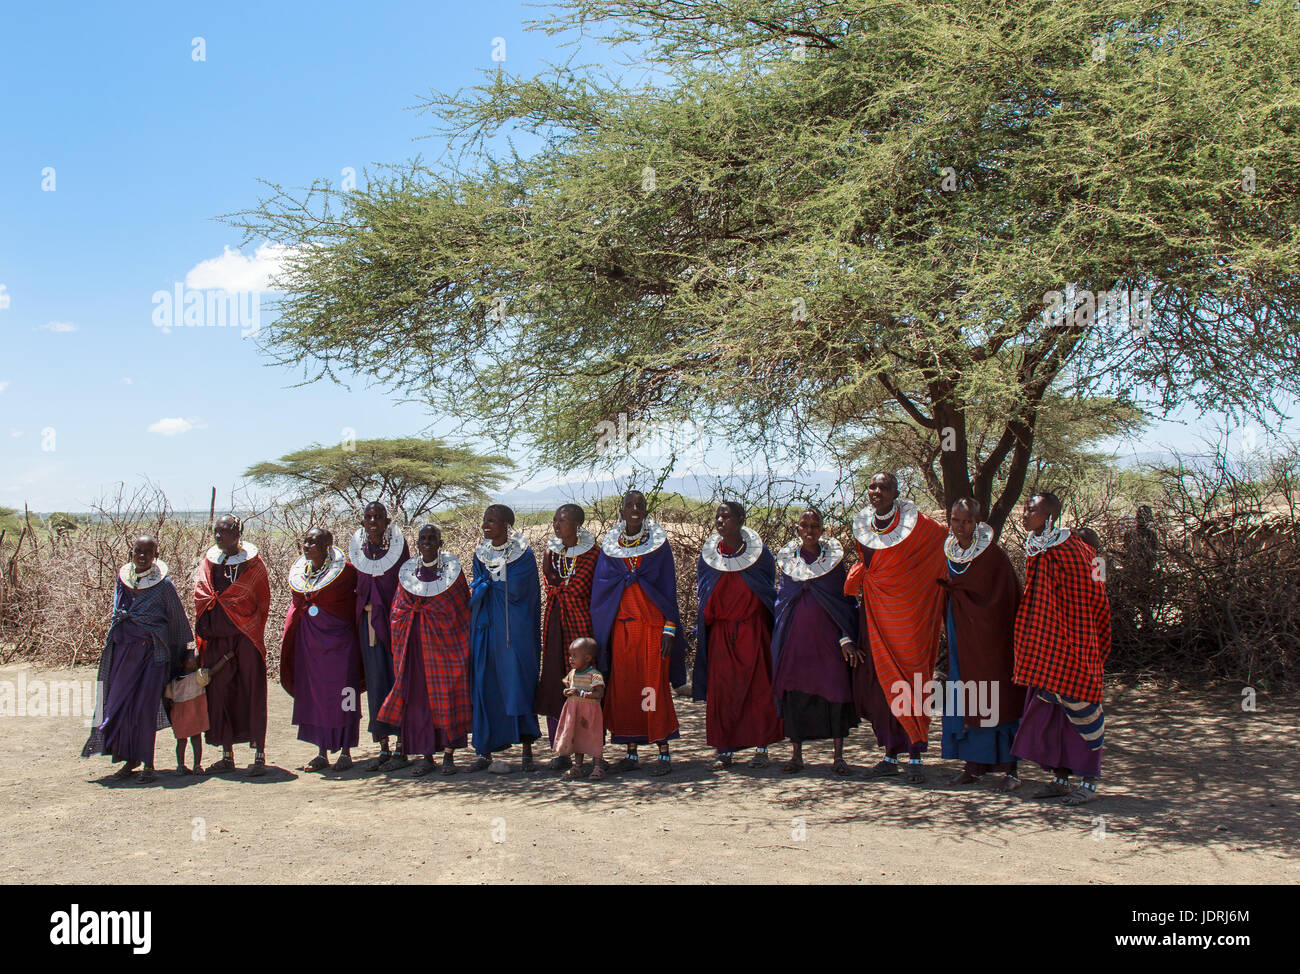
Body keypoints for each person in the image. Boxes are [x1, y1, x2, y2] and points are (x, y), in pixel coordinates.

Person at [845, 472, 947, 783]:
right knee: (881, 684)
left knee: (914, 680)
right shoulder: (863, 526)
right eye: (872, 486)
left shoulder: (919, 524)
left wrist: (921, 587)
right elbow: (870, 564)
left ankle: (915, 753)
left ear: (896, 492)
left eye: (883, 487)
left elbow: (945, 542)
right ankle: (890, 752)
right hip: (876, 613)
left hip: (911, 616)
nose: (876, 491)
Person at [1011, 492, 1112, 806]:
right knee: (1054, 715)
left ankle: (1090, 782)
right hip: (1048, 645)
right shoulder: (1041, 547)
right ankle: (1060, 777)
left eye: (1033, 509)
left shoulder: (1070, 551)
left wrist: (1073, 638)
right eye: (1025, 507)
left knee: (1080, 710)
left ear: (1051, 517)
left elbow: (1089, 599)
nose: (1025, 513)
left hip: (1073, 645)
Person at [82, 535, 194, 783]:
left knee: (144, 709)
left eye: (147, 552)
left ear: (155, 555)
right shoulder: (123, 580)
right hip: (123, 652)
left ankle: (149, 765)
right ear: (131, 553)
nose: (142, 556)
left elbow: (177, 620)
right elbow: (116, 613)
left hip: (152, 655)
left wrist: (184, 654)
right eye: (137, 551)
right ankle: (129, 759)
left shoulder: (164, 585)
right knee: (118, 704)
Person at [591, 490, 686, 776]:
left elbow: (667, 589)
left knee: (653, 687)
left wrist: (670, 629)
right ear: (621, 512)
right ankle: (631, 752)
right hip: (622, 629)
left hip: (653, 628)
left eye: (639, 505)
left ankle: (663, 751)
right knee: (627, 690)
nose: (634, 509)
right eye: (629, 505)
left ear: (646, 511)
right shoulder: (611, 547)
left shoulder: (658, 546)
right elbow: (603, 587)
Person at [938, 499, 1025, 792]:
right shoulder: (948, 552)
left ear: (977, 522)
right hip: (960, 634)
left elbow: (1008, 598)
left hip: (992, 641)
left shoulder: (993, 556)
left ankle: (1010, 770)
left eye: (966, 521)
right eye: (955, 520)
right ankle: (973, 766)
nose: (960, 526)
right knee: (966, 694)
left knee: (995, 694)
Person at [693, 501, 783, 769]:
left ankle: (761, 748)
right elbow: (704, 592)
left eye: (727, 516)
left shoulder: (760, 555)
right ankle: (725, 750)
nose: (721, 521)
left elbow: (767, 591)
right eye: (718, 516)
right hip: (721, 633)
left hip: (753, 631)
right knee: (723, 693)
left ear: (741, 519)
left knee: (758, 690)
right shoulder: (709, 556)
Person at [770, 508, 860, 775]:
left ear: (823, 529)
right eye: (804, 525)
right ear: (797, 530)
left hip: (829, 641)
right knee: (795, 693)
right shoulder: (788, 561)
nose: (809, 530)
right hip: (796, 640)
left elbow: (843, 602)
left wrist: (845, 637)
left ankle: (839, 757)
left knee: (835, 690)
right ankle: (796, 755)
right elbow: (782, 600)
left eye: (815, 525)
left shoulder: (833, 563)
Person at [378, 524, 473, 776]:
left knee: (448, 696)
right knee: (420, 701)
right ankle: (426, 755)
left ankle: (450, 756)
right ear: (417, 543)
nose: (427, 542)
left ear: (441, 543)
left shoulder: (453, 572)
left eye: (433, 538)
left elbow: (461, 609)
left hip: (445, 648)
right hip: (415, 648)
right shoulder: (408, 573)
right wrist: (415, 615)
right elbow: (398, 610)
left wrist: (432, 616)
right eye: (423, 538)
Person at [193, 514, 272, 776]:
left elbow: (262, 601)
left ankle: (259, 753)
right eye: (216, 532)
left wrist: (247, 627)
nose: (218, 537)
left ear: (238, 533)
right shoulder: (210, 562)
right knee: (220, 693)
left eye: (224, 532)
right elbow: (202, 594)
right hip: (218, 637)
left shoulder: (254, 564)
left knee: (252, 690)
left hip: (247, 636)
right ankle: (227, 754)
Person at [468, 504, 542, 773]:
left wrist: (492, 586)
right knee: (485, 682)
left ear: (506, 526)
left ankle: (526, 749)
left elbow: (524, 590)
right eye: (485, 520)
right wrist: (484, 587)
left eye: (493, 521)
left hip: (514, 628)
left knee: (518, 682)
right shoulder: (480, 553)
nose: (486, 525)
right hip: (487, 627)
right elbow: (477, 584)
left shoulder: (523, 555)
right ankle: (485, 749)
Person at [281, 528, 362, 772]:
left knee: (345, 696)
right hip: (310, 644)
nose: (307, 546)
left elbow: (355, 601)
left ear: (328, 545)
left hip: (340, 645)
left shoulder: (346, 572)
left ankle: (346, 750)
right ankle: (321, 751)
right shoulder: (301, 575)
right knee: (315, 696)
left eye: (313, 542)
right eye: (305, 541)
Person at [536, 503, 598, 770]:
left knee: (583, 682)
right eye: (555, 520)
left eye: (562, 521)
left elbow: (587, 589)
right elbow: (553, 586)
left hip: (580, 624)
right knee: (555, 681)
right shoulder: (551, 553)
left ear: (577, 525)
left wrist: (563, 589)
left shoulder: (594, 554)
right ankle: (559, 749)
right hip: (554, 624)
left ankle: (585, 749)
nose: (556, 525)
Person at [349, 502, 409, 771]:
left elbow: (405, 583)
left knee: (397, 679)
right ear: (363, 521)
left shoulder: (398, 549)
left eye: (378, 517)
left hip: (394, 625)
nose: (372, 521)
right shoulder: (360, 552)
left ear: (387, 521)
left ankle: (402, 745)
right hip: (368, 626)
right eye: (368, 517)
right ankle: (383, 744)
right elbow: (359, 587)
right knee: (375, 682)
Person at [554, 637, 607, 781]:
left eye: (574, 656)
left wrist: (582, 693)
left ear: (588, 658)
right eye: (570, 655)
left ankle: (598, 767)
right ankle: (578, 766)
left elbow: (599, 693)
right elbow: (568, 688)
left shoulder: (594, 675)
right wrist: (567, 692)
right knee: (577, 737)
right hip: (575, 711)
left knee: (593, 737)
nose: (571, 659)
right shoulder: (572, 674)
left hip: (590, 712)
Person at [165, 652, 209, 775]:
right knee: (193, 740)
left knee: (183, 741)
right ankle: (194, 765)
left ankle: (183, 765)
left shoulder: (176, 682)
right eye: (191, 659)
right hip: (193, 713)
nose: (193, 660)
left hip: (180, 715)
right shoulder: (198, 677)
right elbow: (211, 673)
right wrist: (226, 659)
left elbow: (168, 696)